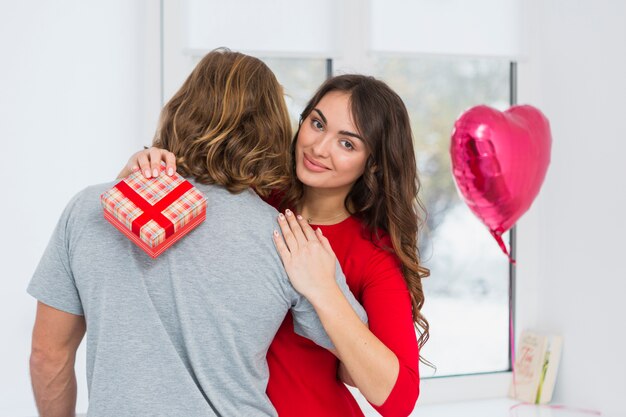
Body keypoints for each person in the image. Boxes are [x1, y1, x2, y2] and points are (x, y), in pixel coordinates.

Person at [27, 49, 366, 417]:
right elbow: (357, 363)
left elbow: (49, 355)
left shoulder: (90, 209)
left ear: (180, 109)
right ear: (272, 131)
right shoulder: (290, 240)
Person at [124, 74, 430, 417]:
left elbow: (399, 400)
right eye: (317, 124)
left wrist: (324, 290)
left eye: (347, 144)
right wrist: (143, 167)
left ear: (372, 163)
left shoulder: (373, 255)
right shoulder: (253, 196)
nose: (318, 147)